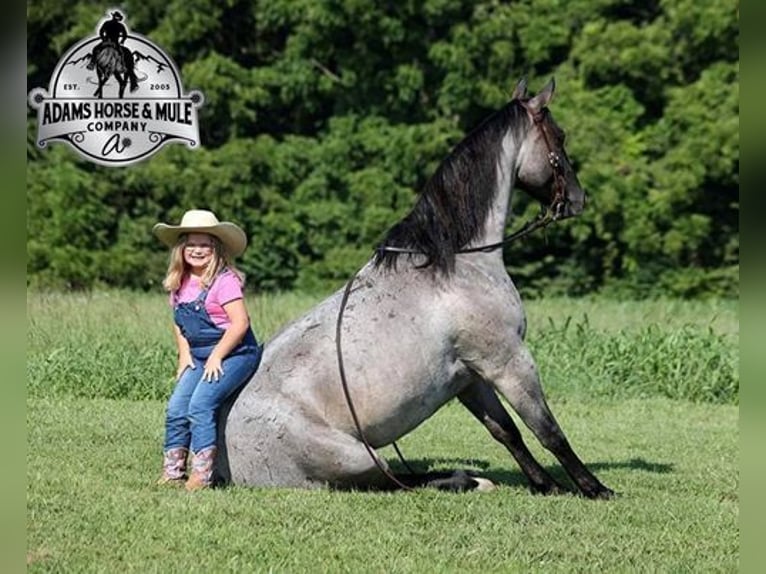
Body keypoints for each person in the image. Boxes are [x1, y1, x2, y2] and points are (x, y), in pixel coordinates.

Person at [152, 209, 262, 491]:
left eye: (205, 244)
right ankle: (173, 470)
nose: (197, 250)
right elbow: (179, 323)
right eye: (191, 244)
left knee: (200, 405)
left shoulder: (224, 281)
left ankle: (202, 474)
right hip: (199, 356)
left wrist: (217, 355)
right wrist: (184, 355)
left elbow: (240, 324)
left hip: (235, 353)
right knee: (177, 408)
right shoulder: (179, 282)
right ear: (182, 249)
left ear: (216, 249)